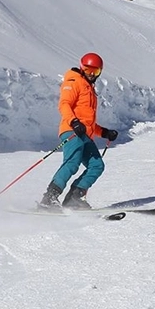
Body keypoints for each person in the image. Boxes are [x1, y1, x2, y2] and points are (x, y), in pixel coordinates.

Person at [40, 52, 119, 210]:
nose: (91, 74)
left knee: (97, 165)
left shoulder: (89, 88)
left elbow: (87, 122)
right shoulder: (73, 81)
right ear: (82, 68)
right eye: (89, 70)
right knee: (72, 163)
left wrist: (103, 132)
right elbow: (64, 104)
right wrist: (74, 122)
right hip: (71, 130)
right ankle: (49, 199)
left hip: (84, 134)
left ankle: (74, 197)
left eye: (95, 72)